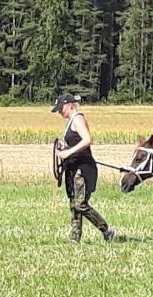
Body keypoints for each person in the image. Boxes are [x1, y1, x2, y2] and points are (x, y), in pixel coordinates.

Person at [52, 93, 116, 243]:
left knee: (80, 204)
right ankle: (75, 239)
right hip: (73, 168)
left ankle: (107, 230)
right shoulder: (70, 121)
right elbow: (76, 141)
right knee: (74, 204)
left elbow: (87, 139)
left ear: (69, 105)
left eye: (60, 108)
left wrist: (68, 152)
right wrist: (64, 146)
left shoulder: (77, 119)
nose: (59, 112)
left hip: (83, 168)